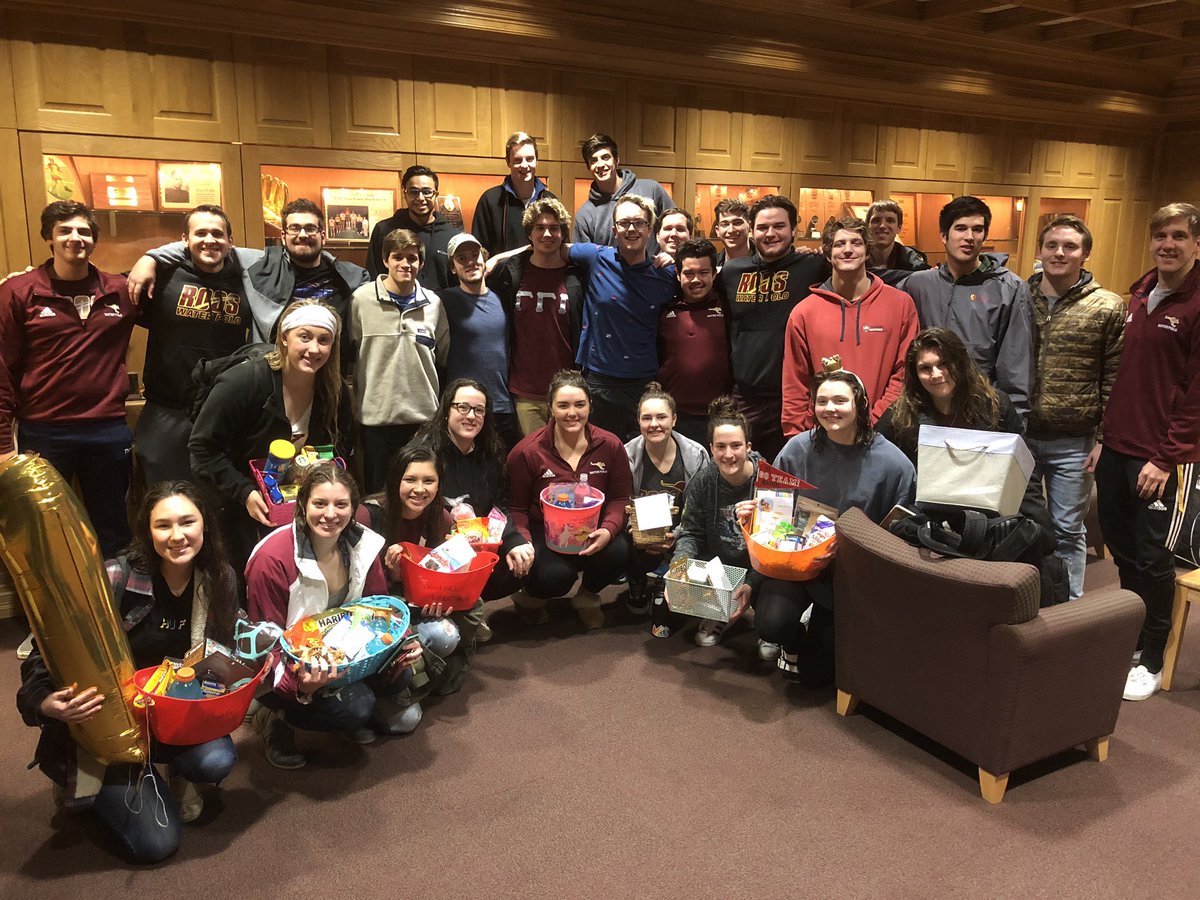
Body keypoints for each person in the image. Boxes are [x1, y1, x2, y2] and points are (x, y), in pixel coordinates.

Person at [17, 481, 239, 862]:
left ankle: (166, 773)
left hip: (173, 713)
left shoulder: (220, 578)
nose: (177, 536)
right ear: (146, 531)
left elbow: (224, 652)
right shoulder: (115, 578)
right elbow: (46, 650)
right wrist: (43, 701)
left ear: (205, 525)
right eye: (163, 525)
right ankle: (96, 783)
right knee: (157, 845)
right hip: (109, 727)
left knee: (216, 759)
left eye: (188, 522)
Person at [245, 463, 422, 767]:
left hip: (346, 656)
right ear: (302, 505)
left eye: (341, 504)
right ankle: (275, 716)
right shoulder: (271, 560)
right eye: (319, 503)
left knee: (403, 677)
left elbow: (379, 606)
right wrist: (298, 686)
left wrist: (403, 642)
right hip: (290, 667)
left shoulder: (363, 545)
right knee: (356, 709)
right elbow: (265, 647)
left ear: (354, 508)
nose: (330, 514)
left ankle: (353, 699)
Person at [1096, 202, 1200, 702]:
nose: (1168, 244)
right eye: (1160, 235)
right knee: (1122, 550)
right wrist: (1104, 438)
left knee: (1154, 558)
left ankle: (1155, 653)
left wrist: (1167, 457)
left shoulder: (1196, 302)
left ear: (1196, 243)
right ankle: (1137, 635)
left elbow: (1196, 393)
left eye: (1179, 236)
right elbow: (1127, 377)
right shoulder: (1141, 293)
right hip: (1117, 445)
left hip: (1161, 457)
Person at [755, 371, 915, 686]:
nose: (830, 408)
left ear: (861, 404)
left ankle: (818, 626)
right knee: (770, 625)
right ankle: (795, 631)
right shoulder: (795, 450)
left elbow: (901, 534)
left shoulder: (895, 464)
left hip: (852, 572)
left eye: (840, 400)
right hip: (797, 563)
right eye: (822, 401)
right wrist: (756, 513)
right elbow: (772, 514)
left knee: (817, 677)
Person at [0, 200, 136, 558]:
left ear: (94, 240)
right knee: (45, 531)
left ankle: (118, 608)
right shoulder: (18, 292)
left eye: (84, 231)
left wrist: (152, 262)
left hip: (107, 428)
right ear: (49, 237)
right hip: (44, 431)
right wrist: (2, 445)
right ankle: (53, 612)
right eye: (65, 230)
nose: (75, 238)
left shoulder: (119, 291)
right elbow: (2, 369)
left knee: (113, 528)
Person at [189, 299, 354, 571]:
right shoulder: (243, 382)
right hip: (238, 504)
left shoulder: (335, 392)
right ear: (285, 338)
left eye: (324, 340)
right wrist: (243, 492)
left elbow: (341, 446)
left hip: (302, 505)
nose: (314, 349)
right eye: (305, 337)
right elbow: (202, 449)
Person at [127, 198, 369, 356]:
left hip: (329, 374)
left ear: (323, 236)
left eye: (311, 228)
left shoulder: (351, 276)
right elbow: (209, 245)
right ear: (283, 235)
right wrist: (151, 258)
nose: (302, 234)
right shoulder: (258, 262)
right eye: (294, 228)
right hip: (273, 376)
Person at [1027, 215, 1125, 602]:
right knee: (1025, 524)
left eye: (1069, 246)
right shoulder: (1019, 296)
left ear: (1085, 254)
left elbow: (1115, 379)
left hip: (1075, 441)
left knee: (1068, 529)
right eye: (1051, 246)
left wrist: (1104, 439)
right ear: (1040, 251)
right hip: (1022, 435)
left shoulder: (1107, 306)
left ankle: (1069, 607)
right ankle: (1030, 597)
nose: (1059, 253)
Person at [874, 327, 1053, 534]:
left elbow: (1024, 471)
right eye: (926, 368)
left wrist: (1037, 524)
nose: (936, 374)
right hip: (928, 523)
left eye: (943, 364)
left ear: (959, 363)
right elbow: (878, 462)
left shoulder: (996, 405)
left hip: (988, 520)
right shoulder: (900, 416)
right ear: (915, 373)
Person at [130, 204, 252, 486]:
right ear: (184, 240)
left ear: (230, 242)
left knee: (220, 498)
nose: (210, 240)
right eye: (201, 233)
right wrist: (149, 258)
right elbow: (104, 290)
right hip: (167, 412)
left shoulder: (247, 281)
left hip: (222, 411)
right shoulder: (162, 276)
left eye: (218, 234)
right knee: (165, 496)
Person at [506, 369, 633, 629]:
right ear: (550, 408)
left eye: (579, 404)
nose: (571, 413)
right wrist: (525, 543)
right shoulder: (526, 452)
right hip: (544, 529)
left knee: (620, 550)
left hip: (593, 526)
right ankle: (529, 599)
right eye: (562, 405)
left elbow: (620, 498)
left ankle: (586, 597)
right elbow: (516, 508)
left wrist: (608, 531)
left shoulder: (610, 445)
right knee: (555, 576)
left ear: (590, 406)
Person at [410, 379, 536, 637]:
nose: (471, 416)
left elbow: (499, 505)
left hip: (477, 546)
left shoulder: (489, 453)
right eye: (463, 407)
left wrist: (515, 541)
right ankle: (452, 613)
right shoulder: (423, 454)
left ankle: (468, 608)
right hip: (432, 549)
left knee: (520, 563)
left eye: (479, 410)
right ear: (447, 410)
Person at [899, 196, 1035, 421]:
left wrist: (1013, 424)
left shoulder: (1009, 289)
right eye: (960, 228)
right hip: (924, 413)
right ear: (944, 235)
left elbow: (1017, 366)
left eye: (977, 229)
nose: (969, 237)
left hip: (980, 413)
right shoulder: (917, 285)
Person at [781, 216, 918, 437]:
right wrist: (797, 436)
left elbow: (904, 373)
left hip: (884, 432)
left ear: (867, 250)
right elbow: (795, 382)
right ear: (827, 253)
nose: (847, 250)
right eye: (839, 244)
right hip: (822, 434)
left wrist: (874, 421)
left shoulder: (901, 304)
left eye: (856, 243)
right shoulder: (803, 313)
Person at [717, 194, 829, 463]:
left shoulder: (814, 266)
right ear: (752, 232)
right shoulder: (732, 272)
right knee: (740, 469)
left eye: (779, 226)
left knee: (790, 475)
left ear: (794, 231)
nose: (770, 233)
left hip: (792, 398)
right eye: (763, 227)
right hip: (745, 396)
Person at [370, 443, 486, 700]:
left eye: (429, 481)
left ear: (438, 485)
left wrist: (442, 599)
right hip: (379, 611)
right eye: (410, 479)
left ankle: (419, 673)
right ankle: (398, 677)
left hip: (418, 604)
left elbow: (444, 574)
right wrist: (392, 575)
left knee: (446, 634)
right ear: (394, 479)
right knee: (404, 721)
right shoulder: (370, 515)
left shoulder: (441, 518)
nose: (420, 489)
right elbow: (361, 590)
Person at [569, 195, 678, 440]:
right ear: (614, 229)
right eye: (624, 223)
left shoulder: (667, 274)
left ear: (650, 229)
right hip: (598, 379)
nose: (631, 229)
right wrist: (496, 259)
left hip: (644, 382)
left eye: (639, 223)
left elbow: (703, 275)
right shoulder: (595, 257)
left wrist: (677, 259)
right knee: (598, 456)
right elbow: (549, 246)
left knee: (643, 457)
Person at [348, 228, 449, 493]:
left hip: (423, 419)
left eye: (412, 258)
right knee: (378, 495)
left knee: (420, 493)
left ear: (421, 262)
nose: (406, 264)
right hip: (376, 419)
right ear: (385, 260)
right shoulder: (361, 300)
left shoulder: (434, 303)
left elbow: (443, 354)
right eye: (398, 257)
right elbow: (351, 350)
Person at [665, 396, 768, 652]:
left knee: (772, 623)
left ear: (748, 446)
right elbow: (690, 533)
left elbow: (777, 543)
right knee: (668, 598)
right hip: (720, 563)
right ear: (711, 448)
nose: (729, 454)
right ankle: (719, 610)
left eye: (736, 446)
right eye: (721, 447)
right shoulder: (703, 482)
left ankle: (766, 624)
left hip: (761, 565)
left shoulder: (767, 480)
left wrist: (752, 583)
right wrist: (677, 571)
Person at [489, 197, 585, 437]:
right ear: (529, 234)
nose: (547, 234)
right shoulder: (511, 272)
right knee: (534, 461)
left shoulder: (576, 277)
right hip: (525, 389)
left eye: (554, 228)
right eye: (539, 228)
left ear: (563, 233)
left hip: (567, 391)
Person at [623, 382, 709, 616]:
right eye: (646, 418)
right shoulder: (626, 455)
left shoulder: (697, 454)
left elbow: (701, 508)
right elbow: (620, 502)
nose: (654, 425)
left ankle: (666, 579)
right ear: (638, 421)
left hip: (682, 529)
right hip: (641, 531)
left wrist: (678, 534)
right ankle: (637, 578)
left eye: (661, 417)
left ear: (674, 419)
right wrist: (635, 531)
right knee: (621, 545)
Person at [440, 234, 521, 449]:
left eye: (475, 255)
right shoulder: (443, 300)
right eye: (462, 258)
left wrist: (496, 258)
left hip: (501, 405)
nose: (470, 262)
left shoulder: (504, 298)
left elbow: (531, 250)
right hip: (463, 409)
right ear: (452, 268)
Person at [657, 238, 732, 446]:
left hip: (718, 414)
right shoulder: (665, 311)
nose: (696, 279)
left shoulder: (728, 308)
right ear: (678, 274)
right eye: (689, 273)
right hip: (675, 415)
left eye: (703, 273)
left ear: (714, 274)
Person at [366, 165, 462, 291]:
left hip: (441, 308)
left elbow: (458, 280)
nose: (420, 198)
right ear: (405, 193)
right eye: (414, 192)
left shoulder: (452, 236)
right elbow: (374, 276)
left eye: (427, 192)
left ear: (436, 194)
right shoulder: (384, 230)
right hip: (395, 307)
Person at [573, 132, 674, 247]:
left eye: (605, 157)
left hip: (654, 265)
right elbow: (583, 259)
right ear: (588, 167)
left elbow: (679, 227)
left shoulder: (651, 190)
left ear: (616, 161)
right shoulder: (585, 215)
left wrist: (669, 253)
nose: (600, 164)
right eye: (594, 160)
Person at [471, 131, 557, 256]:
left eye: (530, 159)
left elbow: (561, 247)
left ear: (537, 161)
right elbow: (479, 251)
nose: (524, 165)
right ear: (508, 162)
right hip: (502, 275)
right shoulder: (490, 200)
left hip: (542, 274)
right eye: (517, 160)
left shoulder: (550, 201)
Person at [864, 199, 930, 286]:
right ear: (867, 226)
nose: (882, 226)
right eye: (876, 220)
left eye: (890, 220)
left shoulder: (914, 263)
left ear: (899, 227)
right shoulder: (856, 258)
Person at [713, 198, 751, 267]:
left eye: (737, 223)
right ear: (717, 231)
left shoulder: (767, 260)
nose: (731, 230)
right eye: (725, 224)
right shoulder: (712, 266)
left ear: (750, 226)